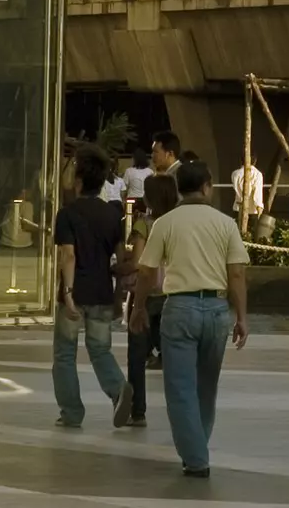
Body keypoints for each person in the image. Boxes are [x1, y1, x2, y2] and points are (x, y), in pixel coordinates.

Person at [133, 160, 251, 478]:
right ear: (207, 186)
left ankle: (196, 457)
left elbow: (146, 272)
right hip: (216, 310)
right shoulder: (226, 224)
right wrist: (241, 316)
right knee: (206, 386)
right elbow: (237, 273)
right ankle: (197, 447)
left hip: (180, 309)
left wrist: (138, 307)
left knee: (180, 388)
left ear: (179, 189)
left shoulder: (165, 223)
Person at [51, 145, 128, 428]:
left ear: (80, 181)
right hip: (102, 292)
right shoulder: (112, 215)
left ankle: (71, 412)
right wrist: (119, 295)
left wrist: (68, 294)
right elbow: (121, 260)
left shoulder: (67, 214)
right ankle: (119, 389)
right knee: (99, 349)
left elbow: (68, 255)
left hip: (76, 292)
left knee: (65, 354)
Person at [114, 172, 182, 426]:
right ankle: (179, 409)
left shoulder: (144, 225)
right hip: (174, 294)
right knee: (174, 356)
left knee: (137, 354)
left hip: (146, 294)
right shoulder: (178, 223)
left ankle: (138, 410)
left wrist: (120, 269)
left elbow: (141, 263)